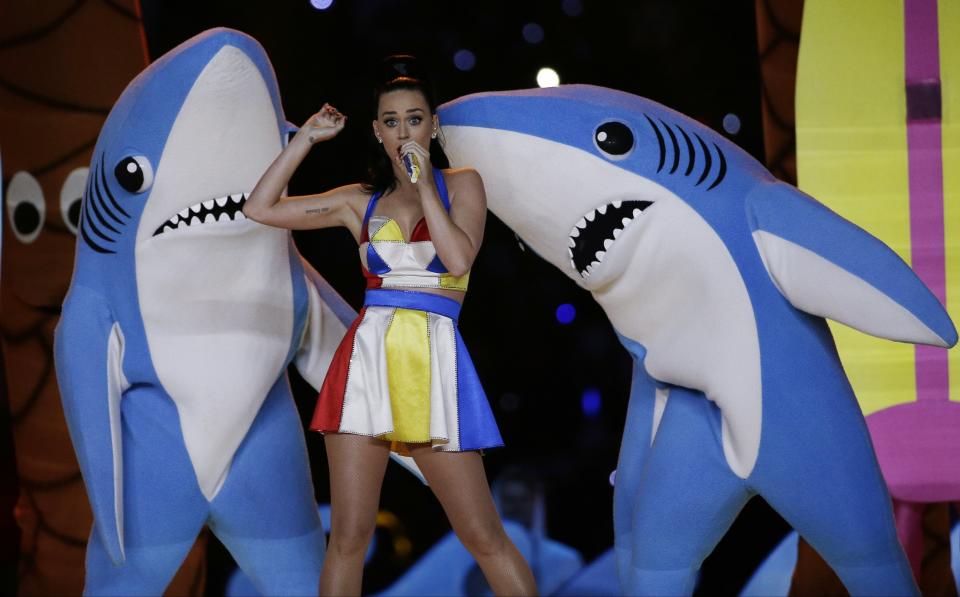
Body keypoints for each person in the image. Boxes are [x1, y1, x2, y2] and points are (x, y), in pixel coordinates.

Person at [243, 56, 537, 597]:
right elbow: (260, 208)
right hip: (366, 369)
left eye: (415, 118)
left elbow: (457, 259)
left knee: (482, 535)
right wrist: (305, 138)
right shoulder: (360, 201)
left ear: (433, 126)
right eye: (392, 120)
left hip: (433, 368)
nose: (404, 130)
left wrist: (425, 184)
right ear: (377, 130)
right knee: (348, 540)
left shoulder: (464, 185)